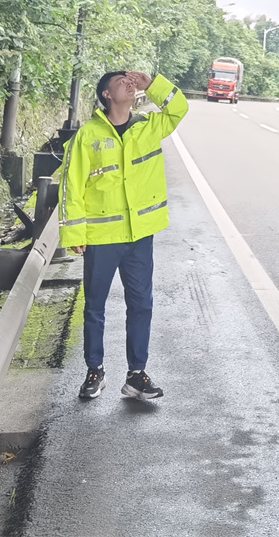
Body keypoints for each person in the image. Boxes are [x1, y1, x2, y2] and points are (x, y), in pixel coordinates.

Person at [60, 68, 189, 402]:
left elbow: (179, 109)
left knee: (141, 304)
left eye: (132, 83)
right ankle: (94, 371)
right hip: (101, 237)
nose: (129, 85)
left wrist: (153, 84)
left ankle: (136, 375)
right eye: (122, 82)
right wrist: (74, 230)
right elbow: (71, 186)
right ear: (106, 94)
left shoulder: (147, 127)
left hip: (139, 236)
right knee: (95, 308)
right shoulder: (88, 135)